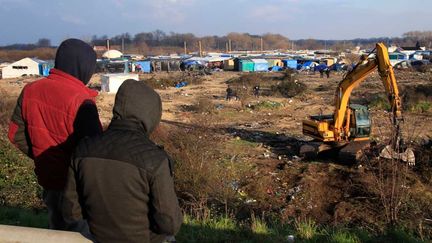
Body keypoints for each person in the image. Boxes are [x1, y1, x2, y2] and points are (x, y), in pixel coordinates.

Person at [62, 80, 183, 243]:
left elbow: (71, 211)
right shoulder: (155, 160)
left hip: (96, 237)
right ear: (151, 115)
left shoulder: (83, 149)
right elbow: (168, 224)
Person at [8, 38, 102, 230]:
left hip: (49, 181)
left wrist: (44, 156)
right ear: (82, 67)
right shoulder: (82, 101)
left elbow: (15, 134)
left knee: (56, 231)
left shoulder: (30, 90)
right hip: (77, 189)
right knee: (80, 234)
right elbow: (95, 153)